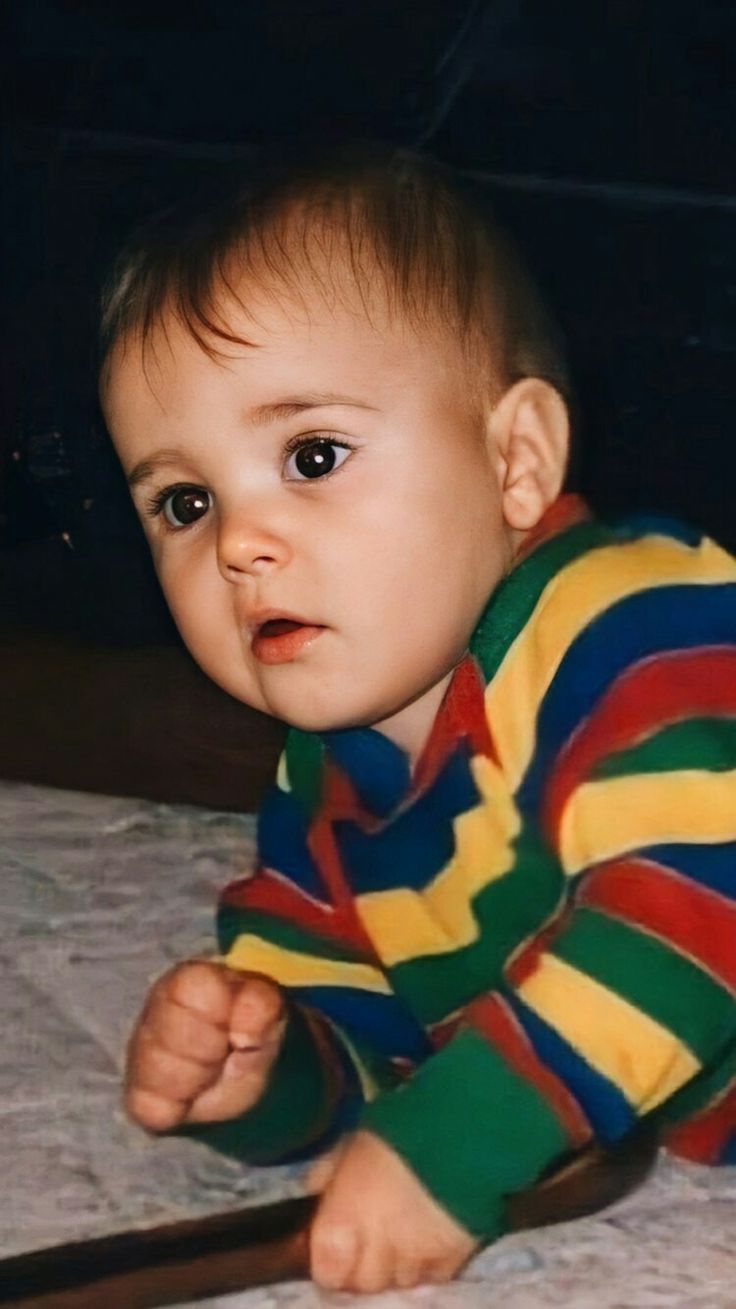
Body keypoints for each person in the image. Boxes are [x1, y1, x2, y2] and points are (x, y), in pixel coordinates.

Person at [100, 145, 736, 1295]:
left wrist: (457, 1145)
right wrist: (265, 1063)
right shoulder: (328, 782)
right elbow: (379, 1039)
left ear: (515, 462)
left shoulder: (633, 626)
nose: (238, 542)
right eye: (183, 501)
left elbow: (699, 902)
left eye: (312, 454)